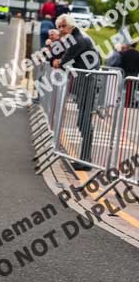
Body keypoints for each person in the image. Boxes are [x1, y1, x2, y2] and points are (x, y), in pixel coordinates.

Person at [53, 14, 101, 171]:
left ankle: (86, 160)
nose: (60, 30)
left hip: (87, 83)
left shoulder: (77, 40)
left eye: (63, 26)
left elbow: (63, 62)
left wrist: (59, 62)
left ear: (71, 26)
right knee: (83, 121)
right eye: (59, 26)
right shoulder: (77, 37)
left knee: (84, 121)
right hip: (85, 82)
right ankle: (84, 158)